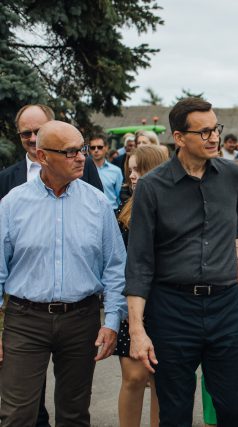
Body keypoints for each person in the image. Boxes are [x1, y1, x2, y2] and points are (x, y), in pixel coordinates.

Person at [124, 97, 238, 426]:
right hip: (172, 310)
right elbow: (138, 262)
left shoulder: (231, 175)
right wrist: (137, 330)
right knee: (175, 409)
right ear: (179, 137)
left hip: (226, 305)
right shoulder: (152, 187)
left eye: (216, 129)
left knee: (234, 406)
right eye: (204, 131)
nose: (214, 137)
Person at [0, 120, 127, 426]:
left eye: (81, 148)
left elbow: (115, 267)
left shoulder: (97, 203)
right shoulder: (12, 203)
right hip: (24, 320)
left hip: (80, 319)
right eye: (70, 152)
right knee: (16, 415)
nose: (82, 156)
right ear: (43, 156)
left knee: (74, 414)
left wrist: (111, 321)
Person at [115, 145, 168, 427]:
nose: (133, 176)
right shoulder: (123, 212)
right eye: (130, 170)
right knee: (134, 377)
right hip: (132, 302)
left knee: (162, 380)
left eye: (139, 170)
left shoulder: (172, 208)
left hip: (168, 302)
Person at [0, 104, 103, 200]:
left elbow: (98, 206)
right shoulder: (5, 178)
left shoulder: (84, 164)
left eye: (39, 131)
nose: (33, 139)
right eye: (26, 133)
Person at [89, 132, 124, 211]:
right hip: (90, 212)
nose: (96, 150)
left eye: (100, 147)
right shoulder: (83, 170)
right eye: (93, 147)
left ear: (106, 147)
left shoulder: (116, 171)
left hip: (112, 211)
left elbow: (119, 197)